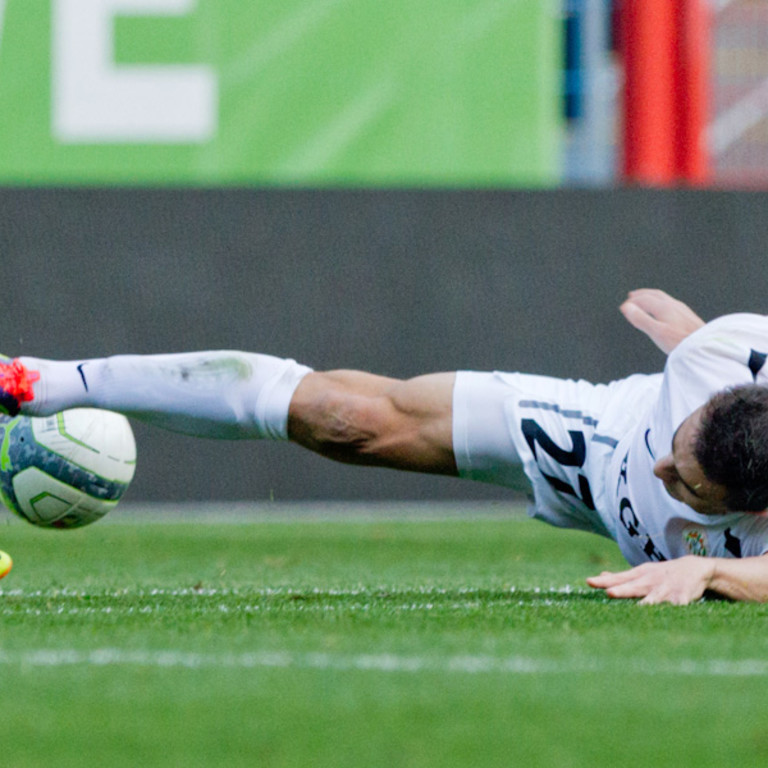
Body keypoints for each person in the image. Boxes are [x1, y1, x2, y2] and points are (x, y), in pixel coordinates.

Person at [1, 289, 767, 605]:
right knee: (348, 418)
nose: (668, 474)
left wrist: (711, 567)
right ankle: (38, 382)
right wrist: (688, 342)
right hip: (604, 435)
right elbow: (691, 379)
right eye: (679, 450)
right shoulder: (728, 353)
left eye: (686, 483)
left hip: (700, 542)